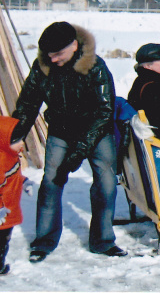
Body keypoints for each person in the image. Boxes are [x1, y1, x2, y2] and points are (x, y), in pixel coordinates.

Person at [11, 21, 126, 261]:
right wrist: (13, 137)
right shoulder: (43, 67)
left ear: (74, 45)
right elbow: (27, 105)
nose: (53, 60)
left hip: (97, 131)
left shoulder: (96, 67)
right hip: (61, 131)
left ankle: (103, 241)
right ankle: (44, 241)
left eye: (58, 54)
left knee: (105, 184)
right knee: (51, 182)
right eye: (49, 55)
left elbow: (105, 112)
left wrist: (80, 152)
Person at [0, 116, 33, 275]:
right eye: (17, 141)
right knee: (1, 241)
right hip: (2, 212)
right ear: (4, 141)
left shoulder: (10, 156)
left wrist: (24, 182)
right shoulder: (1, 160)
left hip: (9, 208)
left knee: (4, 239)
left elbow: (13, 175)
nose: (22, 144)